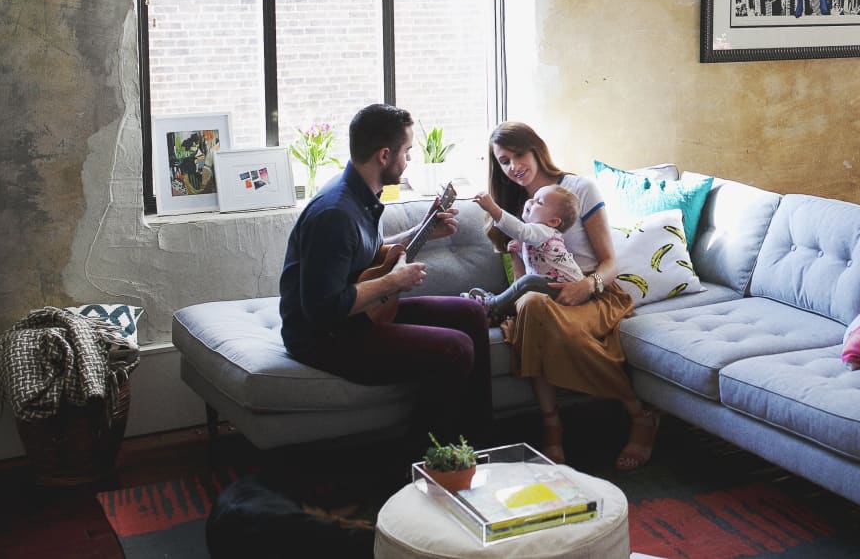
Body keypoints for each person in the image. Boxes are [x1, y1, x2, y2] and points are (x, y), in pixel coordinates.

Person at [278, 103, 492, 448]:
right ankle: (424, 460)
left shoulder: (362, 194)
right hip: (324, 336)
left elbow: (370, 254)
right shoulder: (335, 213)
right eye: (406, 151)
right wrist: (395, 281)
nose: (409, 160)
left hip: (359, 315)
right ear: (384, 155)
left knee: (470, 313)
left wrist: (424, 231)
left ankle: (477, 442)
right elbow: (323, 308)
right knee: (456, 348)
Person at [484, 121, 657, 470]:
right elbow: (523, 278)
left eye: (519, 154)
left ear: (536, 149)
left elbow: (610, 263)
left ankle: (638, 415)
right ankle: (553, 423)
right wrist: (518, 270)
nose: (514, 166)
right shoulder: (514, 208)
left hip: (591, 292)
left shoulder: (578, 189)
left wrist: (587, 286)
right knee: (532, 308)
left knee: (549, 323)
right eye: (504, 161)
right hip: (537, 295)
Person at [465, 185, 583, 323]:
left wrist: (493, 209)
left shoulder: (543, 230)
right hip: (554, 285)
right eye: (533, 198)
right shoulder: (541, 235)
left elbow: (520, 230)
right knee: (527, 285)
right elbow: (539, 261)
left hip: (565, 288)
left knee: (528, 282)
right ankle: (499, 312)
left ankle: (492, 305)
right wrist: (521, 252)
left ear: (553, 221)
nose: (530, 201)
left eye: (539, 202)